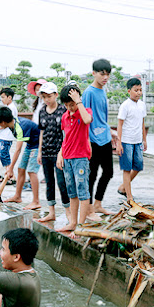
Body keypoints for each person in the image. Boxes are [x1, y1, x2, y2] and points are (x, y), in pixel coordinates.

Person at [56, 83, 93, 233]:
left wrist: (78, 102)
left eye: (72, 104)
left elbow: (87, 120)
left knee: (82, 191)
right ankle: (73, 222)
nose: (70, 108)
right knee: (72, 192)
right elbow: (66, 138)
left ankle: (81, 226)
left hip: (81, 158)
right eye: (67, 105)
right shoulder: (65, 117)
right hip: (67, 158)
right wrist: (60, 154)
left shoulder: (84, 111)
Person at [36, 82, 70, 223]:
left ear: (56, 95)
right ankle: (51, 212)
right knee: (49, 182)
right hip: (45, 152)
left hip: (59, 153)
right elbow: (41, 132)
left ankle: (69, 213)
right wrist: (39, 152)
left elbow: (66, 133)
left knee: (62, 183)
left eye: (49, 96)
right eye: (44, 97)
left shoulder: (63, 110)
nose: (46, 99)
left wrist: (62, 153)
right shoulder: (42, 111)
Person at [0, 107, 41, 208]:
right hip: (31, 144)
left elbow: (18, 150)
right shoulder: (11, 124)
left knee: (31, 171)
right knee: (20, 169)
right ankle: (17, 196)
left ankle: (36, 201)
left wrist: (10, 168)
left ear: (4, 122)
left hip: (39, 145)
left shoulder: (20, 127)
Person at [84, 59, 114, 218]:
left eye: (108, 74)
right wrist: (87, 140)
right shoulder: (88, 92)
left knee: (108, 172)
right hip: (92, 140)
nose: (105, 77)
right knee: (92, 174)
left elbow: (103, 118)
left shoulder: (103, 91)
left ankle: (98, 204)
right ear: (93, 73)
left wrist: (111, 133)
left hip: (105, 138)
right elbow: (84, 117)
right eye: (102, 74)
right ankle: (89, 209)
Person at [116, 78, 147, 201]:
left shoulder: (142, 105)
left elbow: (142, 122)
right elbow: (120, 124)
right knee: (127, 169)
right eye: (136, 90)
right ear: (129, 91)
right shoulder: (125, 106)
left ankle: (123, 187)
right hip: (126, 141)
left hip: (138, 140)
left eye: (140, 90)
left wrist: (144, 139)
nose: (139, 93)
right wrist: (119, 143)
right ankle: (129, 196)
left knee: (138, 166)